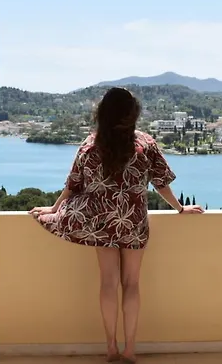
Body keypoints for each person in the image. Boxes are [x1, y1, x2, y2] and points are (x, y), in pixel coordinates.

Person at [29, 87, 204, 363]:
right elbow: (161, 184)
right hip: (133, 222)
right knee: (131, 284)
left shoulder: (90, 145)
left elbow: (73, 185)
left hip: (101, 223)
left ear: (103, 113)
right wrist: (181, 208)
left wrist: (53, 209)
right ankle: (130, 349)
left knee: (108, 283)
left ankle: (111, 348)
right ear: (132, 114)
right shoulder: (145, 144)